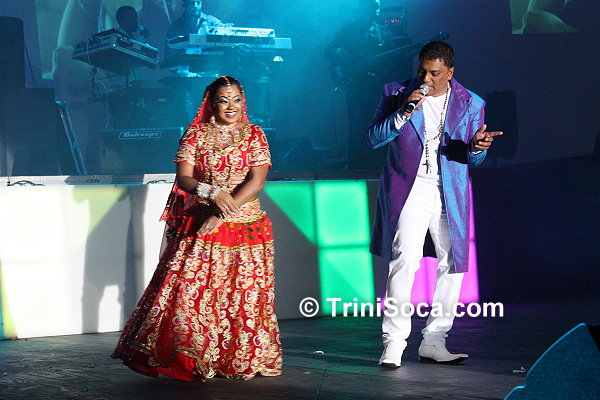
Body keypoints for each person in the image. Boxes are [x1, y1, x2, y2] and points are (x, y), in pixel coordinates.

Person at [112, 76, 283, 381]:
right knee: (189, 293)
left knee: (242, 296)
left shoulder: (254, 134)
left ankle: (238, 359)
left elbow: (256, 182)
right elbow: (184, 179)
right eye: (223, 100)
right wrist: (210, 192)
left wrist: (223, 213)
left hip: (245, 227)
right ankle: (194, 357)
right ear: (210, 103)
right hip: (200, 222)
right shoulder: (196, 134)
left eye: (236, 100)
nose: (231, 106)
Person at [367, 41, 502, 368]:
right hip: (409, 187)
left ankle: (434, 341)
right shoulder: (396, 93)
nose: (426, 79)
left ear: (450, 72)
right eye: (422, 71)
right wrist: (403, 112)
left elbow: (473, 158)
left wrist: (477, 147)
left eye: (435, 73)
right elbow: (374, 137)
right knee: (404, 260)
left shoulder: (471, 103)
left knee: (453, 266)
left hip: (449, 191)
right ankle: (393, 343)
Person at [326, 0, 408, 170]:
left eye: (377, 8)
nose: (376, 11)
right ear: (363, 8)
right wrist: (341, 54)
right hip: (357, 86)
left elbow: (391, 61)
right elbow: (329, 51)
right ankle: (355, 165)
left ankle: (377, 164)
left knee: (380, 124)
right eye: (372, 7)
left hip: (377, 86)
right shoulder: (348, 30)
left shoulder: (383, 32)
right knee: (358, 125)